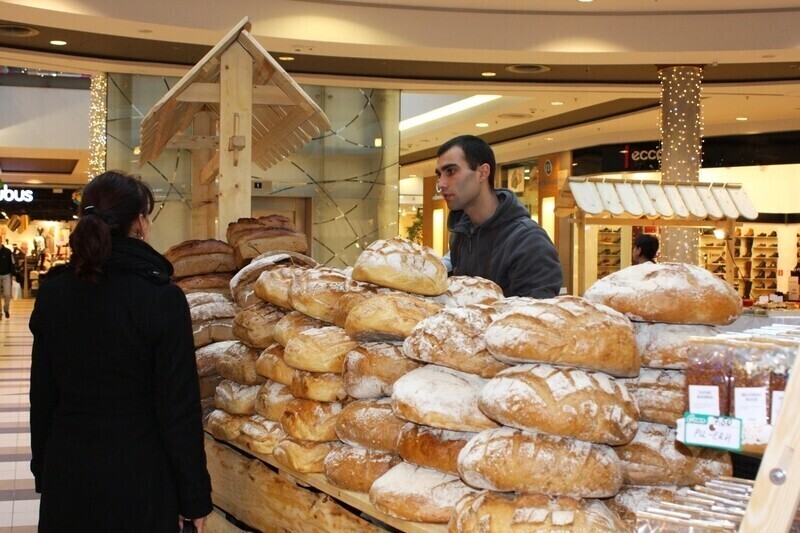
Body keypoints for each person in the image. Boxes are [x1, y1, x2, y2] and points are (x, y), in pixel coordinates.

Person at [29, 171, 212, 532]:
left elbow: (43, 395)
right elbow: (178, 409)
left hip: (68, 470)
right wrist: (193, 497)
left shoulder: (53, 294)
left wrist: (44, 471)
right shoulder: (161, 298)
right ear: (140, 223)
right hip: (141, 477)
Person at [435, 135, 563, 298]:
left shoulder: (529, 241)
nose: (441, 184)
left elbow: (538, 311)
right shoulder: (460, 235)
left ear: (483, 173)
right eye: (439, 175)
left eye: (451, 171)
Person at [0, 240, 14, 319]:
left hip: (6, 275)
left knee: (7, 294)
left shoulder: (8, 251)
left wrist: (13, 274)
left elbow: (12, 263)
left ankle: (6, 309)